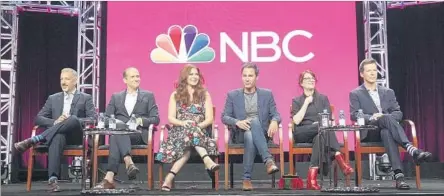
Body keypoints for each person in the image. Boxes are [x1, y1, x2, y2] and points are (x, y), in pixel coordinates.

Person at [350, 58, 432, 190]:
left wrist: (385, 117)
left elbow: (398, 113)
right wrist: (372, 117)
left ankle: (399, 177)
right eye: (369, 71)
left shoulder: (388, 92)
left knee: (386, 130)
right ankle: (412, 149)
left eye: (374, 70)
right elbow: (354, 115)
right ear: (361, 74)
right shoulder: (355, 93)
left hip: (388, 131)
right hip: (370, 131)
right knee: (384, 119)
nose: (372, 73)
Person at [14, 68, 96, 192]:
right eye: (61, 79)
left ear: (75, 81)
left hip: (77, 136)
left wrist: (72, 120)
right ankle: (53, 179)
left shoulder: (85, 98)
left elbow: (92, 119)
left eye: (67, 79)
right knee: (57, 136)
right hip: (57, 135)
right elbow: (38, 119)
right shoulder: (53, 98)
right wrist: (55, 122)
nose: (63, 82)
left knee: (72, 118)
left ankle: (36, 139)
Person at [93, 67, 160, 189]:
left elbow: (155, 119)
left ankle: (111, 176)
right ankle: (125, 163)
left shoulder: (148, 96)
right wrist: (118, 123)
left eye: (138, 76)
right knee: (118, 130)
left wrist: (141, 120)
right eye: (133, 76)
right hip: (120, 133)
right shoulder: (116, 96)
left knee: (116, 135)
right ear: (125, 80)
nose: (136, 79)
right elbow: (106, 118)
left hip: (137, 134)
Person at [156, 64, 219, 192]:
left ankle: (168, 178)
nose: (194, 77)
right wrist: (184, 123)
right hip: (179, 132)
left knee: (188, 149)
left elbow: (209, 119)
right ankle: (207, 160)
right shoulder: (175, 95)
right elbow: (171, 118)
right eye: (191, 74)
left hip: (200, 132)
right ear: (185, 77)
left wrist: (197, 126)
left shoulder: (205, 94)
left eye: (196, 74)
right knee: (188, 134)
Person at [221, 62, 280, 191]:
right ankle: (268, 160)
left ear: (256, 77)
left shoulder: (267, 94)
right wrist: (237, 122)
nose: (247, 79)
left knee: (252, 127)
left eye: (250, 76)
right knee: (249, 130)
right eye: (244, 75)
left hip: (261, 134)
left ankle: (246, 179)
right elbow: (224, 117)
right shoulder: (233, 95)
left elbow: (276, 114)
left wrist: (275, 121)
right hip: (240, 134)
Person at [291, 70, 353, 190]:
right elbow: (297, 121)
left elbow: (329, 119)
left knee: (321, 134)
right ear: (301, 83)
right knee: (323, 128)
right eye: (307, 78)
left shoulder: (323, 98)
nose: (311, 80)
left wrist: (320, 125)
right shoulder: (297, 100)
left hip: (321, 132)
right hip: (303, 132)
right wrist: (306, 103)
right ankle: (338, 156)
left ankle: (311, 178)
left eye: (312, 78)